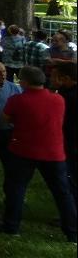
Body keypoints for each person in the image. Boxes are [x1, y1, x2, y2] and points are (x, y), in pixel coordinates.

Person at [0, 65, 77, 242]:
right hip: (54, 152)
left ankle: (11, 227)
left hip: (23, 150)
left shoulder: (17, 100)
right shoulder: (58, 99)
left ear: (25, 81)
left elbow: (5, 119)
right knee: (62, 193)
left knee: (17, 189)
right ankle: (72, 232)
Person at [50, 61, 76, 201]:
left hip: (71, 144)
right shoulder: (65, 92)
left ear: (65, 79)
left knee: (70, 178)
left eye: (54, 77)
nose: (50, 79)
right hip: (67, 141)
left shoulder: (69, 97)